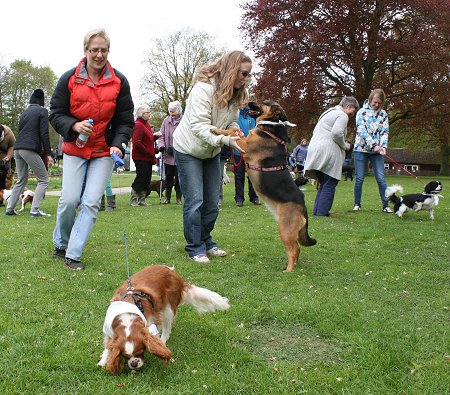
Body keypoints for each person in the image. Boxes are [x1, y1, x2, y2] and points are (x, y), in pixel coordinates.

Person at [49, 28, 134, 270]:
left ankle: (72, 255)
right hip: (75, 148)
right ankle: (61, 242)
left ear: (109, 51)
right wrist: (73, 125)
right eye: (94, 49)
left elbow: (126, 119)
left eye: (103, 50)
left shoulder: (119, 81)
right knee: (70, 199)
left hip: (103, 151)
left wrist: (118, 144)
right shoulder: (69, 78)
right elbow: (55, 114)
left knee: (91, 202)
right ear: (85, 50)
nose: (99, 54)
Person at [173, 50, 249, 263]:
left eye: (248, 74)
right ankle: (195, 247)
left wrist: (234, 131)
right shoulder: (203, 90)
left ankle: (206, 240)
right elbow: (199, 127)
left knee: (213, 202)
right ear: (232, 70)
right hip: (188, 149)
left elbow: (231, 122)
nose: (246, 79)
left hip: (211, 150)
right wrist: (225, 140)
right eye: (243, 74)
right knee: (195, 200)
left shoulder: (235, 95)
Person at [304, 96, 359, 216]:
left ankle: (318, 211)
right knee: (330, 182)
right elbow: (336, 133)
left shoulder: (328, 112)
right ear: (348, 106)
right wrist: (345, 146)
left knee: (324, 182)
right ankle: (323, 212)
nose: (352, 115)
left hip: (315, 149)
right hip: (328, 151)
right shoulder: (342, 115)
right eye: (353, 111)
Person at [5, 89, 52, 217]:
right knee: (43, 179)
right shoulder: (42, 111)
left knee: (21, 180)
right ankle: (35, 210)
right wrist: (48, 154)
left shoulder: (24, 113)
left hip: (17, 148)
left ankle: (10, 209)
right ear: (41, 99)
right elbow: (44, 133)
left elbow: (21, 131)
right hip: (29, 148)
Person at [352, 88, 393, 213]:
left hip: (377, 152)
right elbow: (361, 130)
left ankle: (386, 205)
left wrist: (383, 146)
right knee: (359, 178)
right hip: (361, 149)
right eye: (374, 102)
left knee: (381, 178)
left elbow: (385, 132)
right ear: (370, 99)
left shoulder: (383, 115)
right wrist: (373, 145)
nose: (376, 105)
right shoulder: (361, 112)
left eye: (379, 103)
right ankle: (357, 204)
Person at [233, 100, 260, 207]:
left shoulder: (253, 115)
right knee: (239, 175)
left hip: (251, 151)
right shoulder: (234, 114)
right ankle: (239, 198)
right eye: (242, 99)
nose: (243, 101)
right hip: (238, 150)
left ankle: (254, 197)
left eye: (245, 99)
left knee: (252, 175)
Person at [130, 105, 158, 207]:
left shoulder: (146, 125)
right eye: (148, 112)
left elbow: (147, 140)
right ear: (142, 114)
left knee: (147, 179)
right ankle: (134, 199)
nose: (150, 114)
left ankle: (142, 199)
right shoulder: (138, 125)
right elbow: (137, 143)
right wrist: (149, 152)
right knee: (141, 178)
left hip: (148, 157)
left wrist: (155, 137)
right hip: (141, 158)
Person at [157, 101, 183, 205]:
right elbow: (161, 135)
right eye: (170, 111)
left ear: (179, 110)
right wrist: (161, 146)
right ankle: (167, 198)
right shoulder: (166, 121)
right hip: (168, 155)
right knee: (168, 178)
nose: (171, 113)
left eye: (173, 111)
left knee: (179, 178)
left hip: (180, 154)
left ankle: (178, 198)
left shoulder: (185, 120)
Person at [0, 124, 16, 204]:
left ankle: (0, 200)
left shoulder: (9, 133)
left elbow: (12, 146)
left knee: (2, 180)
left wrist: (8, 156)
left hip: (4, 160)